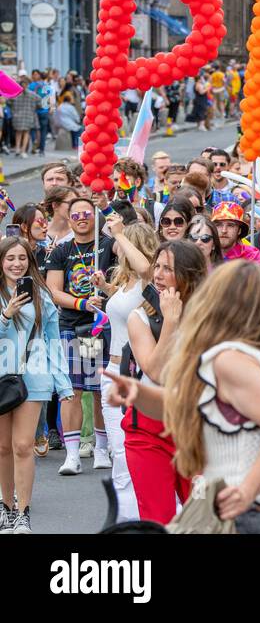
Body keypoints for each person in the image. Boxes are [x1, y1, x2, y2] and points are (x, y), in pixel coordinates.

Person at [106, 261, 260, 534]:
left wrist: (246, 490)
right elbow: (182, 403)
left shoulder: (230, 359)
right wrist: (138, 392)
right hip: (257, 510)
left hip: (248, 513)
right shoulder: (258, 354)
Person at [120, 239, 209, 524]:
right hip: (149, 430)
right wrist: (170, 321)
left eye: (167, 268)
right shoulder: (139, 317)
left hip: (199, 428)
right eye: (156, 266)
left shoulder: (211, 315)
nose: (157, 274)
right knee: (158, 518)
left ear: (189, 274)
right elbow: (156, 371)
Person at [0, 237, 72, 533]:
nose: (16, 264)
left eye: (22, 258)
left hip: (34, 377)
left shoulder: (41, 294)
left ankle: (22, 512)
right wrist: (6, 315)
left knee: (22, 445)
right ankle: (5, 507)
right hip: (1, 377)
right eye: (10, 258)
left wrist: (64, 385)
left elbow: (54, 343)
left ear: (30, 261)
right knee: (3, 447)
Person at [44, 196, 116, 475]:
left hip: (99, 327)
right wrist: (82, 303)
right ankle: (72, 454)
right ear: (69, 218)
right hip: (73, 325)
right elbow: (53, 290)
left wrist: (108, 208)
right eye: (76, 214)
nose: (82, 217)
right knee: (71, 390)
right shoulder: (61, 251)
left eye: (87, 212)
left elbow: (130, 241)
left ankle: (100, 447)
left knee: (98, 389)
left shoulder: (107, 245)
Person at [98, 220, 159, 522]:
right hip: (110, 371)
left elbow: (146, 267)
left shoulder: (150, 280)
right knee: (118, 452)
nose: (114, 246)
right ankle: (125, 519)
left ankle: (139, 518)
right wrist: (105, 290)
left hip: (136, 374)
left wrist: (121, 232)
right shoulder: (125, 281)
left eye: (120, 243)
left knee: (131, 454)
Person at [12, 203, 50, 269]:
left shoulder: (45, 252)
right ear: (25, 227)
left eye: (45, 221)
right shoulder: (9, 252)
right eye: (40, 221)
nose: (45, 225)